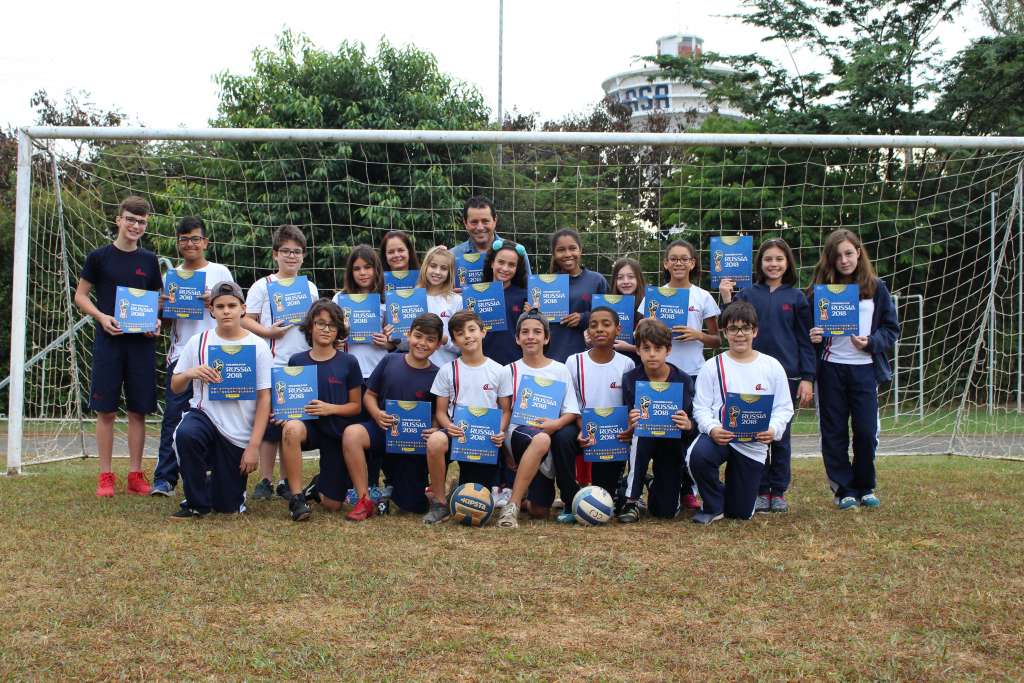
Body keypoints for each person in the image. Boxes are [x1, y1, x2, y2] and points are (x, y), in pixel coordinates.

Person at [73, 195, 162, 497]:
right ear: (119, 220)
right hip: (109, 343)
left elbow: (156, 303)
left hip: (141, 346)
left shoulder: (149, 260)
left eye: (142, 221)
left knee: (138, 411)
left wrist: (157, 322)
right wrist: (100, 316)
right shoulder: (99, 257)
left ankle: (135, 474)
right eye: (131, 219)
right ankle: (105, 475)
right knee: (106, 411)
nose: (136, 225)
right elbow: (81, 296)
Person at [718, 238, 814, 513]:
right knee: (752, 433)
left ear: (787, 263)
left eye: (779, 259)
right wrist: (727, 299)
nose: (773, 264)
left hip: (788, 376)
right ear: (759, 263)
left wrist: (807, 377)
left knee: (780, 436)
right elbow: (730, 326)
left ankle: (778, 490)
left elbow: (805, 341)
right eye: (768, 259)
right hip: (752, 376)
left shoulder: (797, 298)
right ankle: (759, 489)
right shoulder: (748, 294)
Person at [808, 229, 900, 510]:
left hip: (864, 370)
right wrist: (814, 335)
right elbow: (808, 332)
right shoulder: (819, 291)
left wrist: (871, 342)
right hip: (831, 368)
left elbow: (891, 330)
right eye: (838, 256)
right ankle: (843, 489)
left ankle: (865, 485)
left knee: (865, 430)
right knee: (834, 431)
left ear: (859, 253)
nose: (844, 260)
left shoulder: (876, 287)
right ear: (830, 260)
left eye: (849, 253)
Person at [169, 281, 273, 518]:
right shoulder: (199, 342)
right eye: (220, 306)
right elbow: (176, 386)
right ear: (211, 310)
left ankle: (221, 486)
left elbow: (264, 398)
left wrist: (253, 447)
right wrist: (190, 373)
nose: (226, 311)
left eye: (232, 305)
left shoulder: (258, 346)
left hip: (237, 432)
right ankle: (196, 502)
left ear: (243, 309)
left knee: (228, 508)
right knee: (186, 435)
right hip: (205, 415)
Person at [686, 301, 795, 524]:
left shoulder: (772, 366)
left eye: (745, 328)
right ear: (725, 333)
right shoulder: (712, 365)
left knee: (740, 513)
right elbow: (701, 408)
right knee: (697, 457)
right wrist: (713, 429)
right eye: (733, 329)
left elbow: (784, 408)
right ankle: (714, 504)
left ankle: (736, 497)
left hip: (752, 444)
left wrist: (772, 429)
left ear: (755, 331)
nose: (740, 334)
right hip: (721, 438)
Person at [151, 217, 234, 497]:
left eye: (195, 238)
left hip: (218, 354)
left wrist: (215, 299)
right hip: (182, 355)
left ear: (205, 242)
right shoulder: (170, 276)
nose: (190, 244)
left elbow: (235, 310)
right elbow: (163, 322)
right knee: (173, 417)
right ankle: (165, 478)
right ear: (178, 243)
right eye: (184, 239)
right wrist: (160, 307)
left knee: (217, 417)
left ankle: (211, 474)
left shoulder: (220, 272)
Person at [242, 224, 319, 501]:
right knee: (269, 425)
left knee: (291, 423)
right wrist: (268, 332)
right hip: (272, 363)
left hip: (301, 364)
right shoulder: (262, 285)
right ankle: (265, 479)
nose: (291, 256)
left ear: (303, 255)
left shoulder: (308, 287)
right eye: (286, 251)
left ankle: (287, 480)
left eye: (297, 252)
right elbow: (245, 319)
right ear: (275, 254)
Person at [642, 239, 720, 510]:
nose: (678, 263)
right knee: (662, 431)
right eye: (673, 258)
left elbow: (717, 339)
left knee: (689, 432)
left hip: (694, 373)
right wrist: (650, 325)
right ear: (665, 263)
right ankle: (662, 483)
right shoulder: (654, 295)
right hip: (659, 375)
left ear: (692, 263)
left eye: (683, 258)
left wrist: (698, 335)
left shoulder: (703, 297)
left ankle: (689, 488)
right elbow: (640, 331)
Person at [342, 313, 443, 520]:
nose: (422, 343)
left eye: (430, 339)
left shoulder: (438, 375)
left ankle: (421, 491)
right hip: (382, 431)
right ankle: (364, 499)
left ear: (439, 344)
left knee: (411, 506)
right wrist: (377, 414)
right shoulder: (390, 360)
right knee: (352, 434)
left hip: (413, 443)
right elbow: (369, 396)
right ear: (408, 335)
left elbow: (438, 412)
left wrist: (433, 427)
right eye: (418, 336)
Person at [272, 300, 362, 522]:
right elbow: (288, 401)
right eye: (320, 323)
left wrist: (330, 408)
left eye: (332, 325)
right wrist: (284, 415)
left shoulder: (348, 362)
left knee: (332, 505)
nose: (326, 329)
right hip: (308, 428)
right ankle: (297, 498)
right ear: (310, 326)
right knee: (291, 428)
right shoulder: (297, 360)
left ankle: (317, 487)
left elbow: (356, 407)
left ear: (339, 330)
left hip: (336, 431)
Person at [422, 310, 512, 524]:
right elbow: (441, 412)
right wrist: (448, 426)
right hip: (456, 434)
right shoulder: (447, 370)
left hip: (484, 440)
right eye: (460, 333)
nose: (468, 336)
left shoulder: (500, 371)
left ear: (483, 332)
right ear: (454, 340)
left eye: (472, 330)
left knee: (473, 504)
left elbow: (505, 409)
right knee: (435, 440)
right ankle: (440, 502)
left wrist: (499, 431)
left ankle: (457, 488)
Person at [495, 311, 582, 528]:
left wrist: (557, 424)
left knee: (539, 511)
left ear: (546, 338)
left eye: (537, 332)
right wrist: (506, 452)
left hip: (547, 433)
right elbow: (504, 413)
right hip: (518, 435)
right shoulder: (509, 371)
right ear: (517, 338)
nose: (530, 336)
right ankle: (512, 506)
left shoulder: (560, 370)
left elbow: (571, 410)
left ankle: (523, 497)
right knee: (542, 439)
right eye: (524, 332)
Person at [618, 318, 696, 523]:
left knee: (665, 512)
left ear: (668, 350)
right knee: (641, 434)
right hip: (643, 439)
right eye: (646, 348)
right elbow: (627, 419)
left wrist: (688, 425)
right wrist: (631, 420)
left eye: (658, 348)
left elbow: (693, 425)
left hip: (672, 443)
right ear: (637, 350)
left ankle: (653, 484)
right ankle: (631, 500)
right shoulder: (630, 379)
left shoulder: (683, 380)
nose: (652, 354)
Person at [568, 306, 636, 515]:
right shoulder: (574, 362)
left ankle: (621, 491)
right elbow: (571, 404)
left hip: (613, 437)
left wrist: (629, 428)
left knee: (603, 498)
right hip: (582, 430)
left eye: (606, 324)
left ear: (618, 329)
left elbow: (629, 405)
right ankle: (568, 496)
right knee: (562, 437)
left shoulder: (627, 364)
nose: (599, 329)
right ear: (588, 331)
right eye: (593, 325)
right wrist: (582, 428)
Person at [333, 245, 396, 382]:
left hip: (378, 369)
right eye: (357, 268)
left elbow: (394, 343)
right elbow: (331, 334)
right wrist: (336, 341)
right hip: (347, 370)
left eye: (367, 267)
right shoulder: (339, 298)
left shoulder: (387, 299)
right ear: (350, 272)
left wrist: (386, 343)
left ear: (376, 269)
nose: (362, 272)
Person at [545, 228, 608, 363]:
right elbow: (536, 322)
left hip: (588, 357)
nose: (568, 254)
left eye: (572, 248)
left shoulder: (597, 280)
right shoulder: (545, 284)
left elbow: (609, 317)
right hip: (552, 356)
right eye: (561, 250)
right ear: (554, 254)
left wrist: (583, 317)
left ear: (580, 250)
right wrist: (531, 311)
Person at [450, 195, 533, 279]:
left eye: (485, 221)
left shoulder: (516, 252)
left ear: (495, 221)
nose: (480, 227)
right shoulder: (452, 256)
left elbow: (528, 289)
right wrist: (448, 291)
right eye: (474, 222)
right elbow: (439, 289)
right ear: (465, 223)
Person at [481, 238, 529, 367]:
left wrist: (532, 315)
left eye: (511, 265)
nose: (505, 268)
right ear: (492, 263)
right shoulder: (476, 294)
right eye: (501, 262)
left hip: (515, 363)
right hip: (482, 364)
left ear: (517, 268)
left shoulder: (524, 296)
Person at [416, 246, 461, 365]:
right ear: (425, 266)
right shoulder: (413, 298)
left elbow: (461, 345)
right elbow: (404, 343)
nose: (437, 272)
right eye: (433, 266)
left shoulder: (456, 301)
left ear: (450, 272)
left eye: (443, 268)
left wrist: (446, 341)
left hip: (445, 368)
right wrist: (395, 337)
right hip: (417, 368)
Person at [608, 257, 646, 364]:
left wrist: (630, 348)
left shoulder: (648, 305)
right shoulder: (607, 304)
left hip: (641, 366)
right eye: (620, 278)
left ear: (639, 279)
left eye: (631, 277)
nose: (625, 282)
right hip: (613, 363)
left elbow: (656, 346)